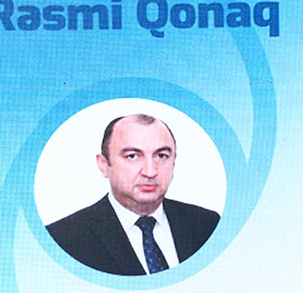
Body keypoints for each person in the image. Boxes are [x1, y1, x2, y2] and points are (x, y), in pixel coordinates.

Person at [47, 114, 220, 275]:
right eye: (132, 156)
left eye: (161, 156)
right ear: (104, 165)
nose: (150, 172)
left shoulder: (207, 225)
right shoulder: (63, 239)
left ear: (173, 162)